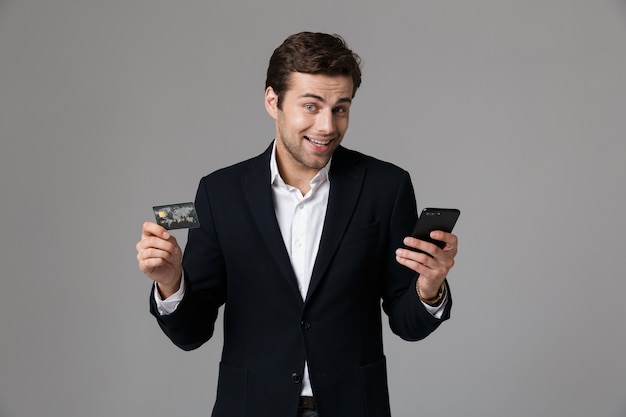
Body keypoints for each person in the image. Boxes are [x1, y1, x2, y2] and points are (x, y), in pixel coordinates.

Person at [136, 31, 458, 417]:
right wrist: (171, 282)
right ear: (273, 101)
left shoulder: (386, 187)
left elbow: (408, 325)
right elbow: (192, 333)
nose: (327, 126)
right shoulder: (220, 192)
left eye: (341, 108)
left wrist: (429, 287)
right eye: (311, 105)